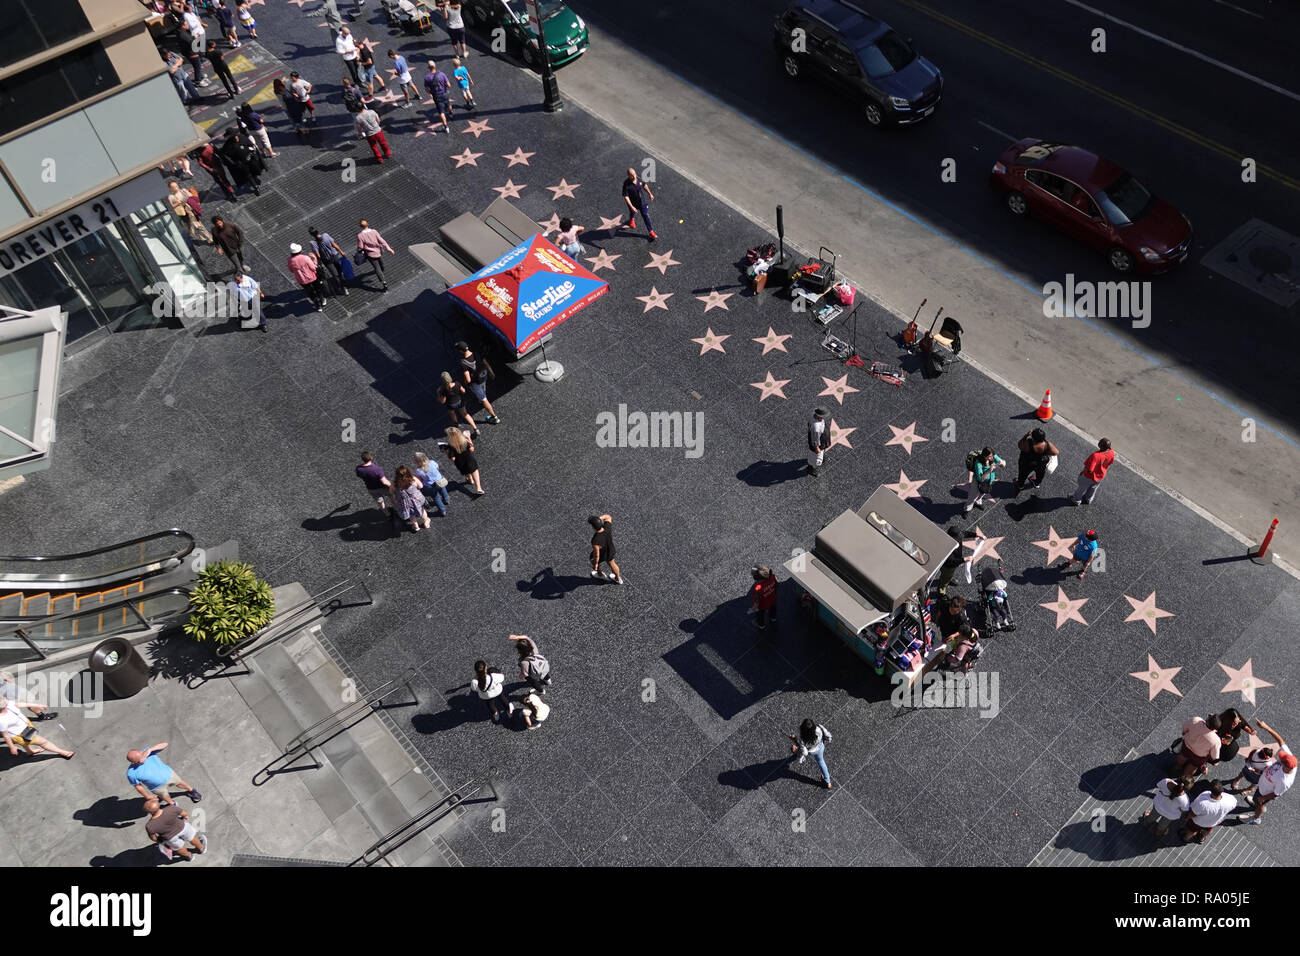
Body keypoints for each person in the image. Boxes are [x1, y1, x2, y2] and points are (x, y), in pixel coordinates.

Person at [1242, 719, 1295, 824]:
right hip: (1262, 786)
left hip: (1264, 792)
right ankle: (1256, 803)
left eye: (1282, 760)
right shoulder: (1289, 757)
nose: (1280, 757)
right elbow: (1281, 741)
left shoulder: (1285, 781)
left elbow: (1276, 794)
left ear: (1286, 767)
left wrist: (1263, 798)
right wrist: (1266, 727)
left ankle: (1256, 818)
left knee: (1260, 804)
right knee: (1257, 800)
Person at [126, 742, 202, 806]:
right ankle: (172, 804)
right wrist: (148, 797)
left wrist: (150, 749)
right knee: (165, 796)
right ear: (133, 762)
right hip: (157, 787)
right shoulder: (131, 773)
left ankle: (192, 791)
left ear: (140, 752)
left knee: (180, 783)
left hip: (169, 775)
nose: (143, 760)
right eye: (139, 761)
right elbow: (138, 786)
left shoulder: (147, 752)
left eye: (142, 756)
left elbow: (165, 744)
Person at [0, 697, 73, 759]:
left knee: (26, 742)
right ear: (3, 707)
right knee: (44, 742)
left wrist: (38, 705)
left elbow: (22, 704)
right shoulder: (2, 720)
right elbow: (6, 736)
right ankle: (63, 752)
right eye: (3, 699)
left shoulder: (9, 704)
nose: (5, 698)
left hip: (25, 725)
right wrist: (12, 747)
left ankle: (30, 751)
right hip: (20, 734)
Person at [1181, 780, 1237, 845]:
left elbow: (1193, 813)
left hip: (1198, 822)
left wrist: (1187, 817)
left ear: (1210, 790)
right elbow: (1232, 806)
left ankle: (1185, 838)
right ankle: (1201, 838)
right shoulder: (1230, 799)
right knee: (1207, 830)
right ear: (1222, 790)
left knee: (1192, 830)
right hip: (1213, 822)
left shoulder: (1203, 799)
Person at [456, 341, 500, 424]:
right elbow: (485, 362)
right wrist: (491, 372)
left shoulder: (463, 363)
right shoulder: (476, 353)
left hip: (475, 382)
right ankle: (482, 397)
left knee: (484, 399)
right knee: (483, 388)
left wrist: (465, 383)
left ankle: (494, 417)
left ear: (461, 351)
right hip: (483, 376)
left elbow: (468, 379)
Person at [1173, 713, 1222, 778]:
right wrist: (1216, 762)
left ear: (1207, 721)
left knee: (1183, 755)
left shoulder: (1196, 720)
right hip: (1199, 756)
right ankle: (1184, 777)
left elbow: (1185, 728)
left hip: (1187, 745)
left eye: (1210, 716)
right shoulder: (1216, 740)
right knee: (1193, 765)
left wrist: (1184, 732)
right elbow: (1214, 756)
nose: (1209, 714)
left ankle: (1178, 766)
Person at [790, 719, 833, 789]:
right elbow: (826, 733)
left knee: (800, 750)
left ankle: (795, 751)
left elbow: (804, 752)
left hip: (812, 751)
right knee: (821, 762)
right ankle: (828, 782)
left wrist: (794, 739)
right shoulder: (819, 729)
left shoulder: (802, 739)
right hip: (820, 747)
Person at [167, 179, 213, 245]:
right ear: (170, 188)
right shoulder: (171, 197)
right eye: (174, 187)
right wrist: (177, 203)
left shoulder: (183, 190)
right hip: (185, 214)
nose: (176, 188)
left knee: (197, 225)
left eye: (176, 186)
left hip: (192, 210)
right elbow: (171, 207)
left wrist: (195, 203)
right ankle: (205, 238)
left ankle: (206, 238)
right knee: (194, 225)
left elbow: (192, 197)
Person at [219, 127, 262, 195]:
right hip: (242, 163)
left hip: (251, 159)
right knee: (248, 175)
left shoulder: (242, 137)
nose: (236, 138)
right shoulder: (227, 146)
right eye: (233, 137)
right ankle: (255, 187)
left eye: (235, 136)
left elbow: (250, 144)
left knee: (254, 170)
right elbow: (226, 157)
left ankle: (255, 178)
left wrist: (252, 150)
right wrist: (235, 163)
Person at [1014, 427, 1058, 494]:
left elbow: (1020, 446)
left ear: (1033, 438)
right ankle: (1036, 483)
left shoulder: (1029, 443)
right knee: (1040, 474)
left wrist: (1025, 436)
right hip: (1041, 463)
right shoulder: (1047, 444)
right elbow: (1056, 452)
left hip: (1027, 463)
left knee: (1023, 474)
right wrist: (1045, 453)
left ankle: (1020, 485)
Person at [1072, 438, 1115, 506]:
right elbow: (1110, 463)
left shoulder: (1096, 456)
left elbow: (1090, 470)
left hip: (1089, 477)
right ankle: (1088, 499)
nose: (1099, 441)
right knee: (1093, 489)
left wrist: (1084, 472)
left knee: (1082, 488)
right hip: (1100, 476)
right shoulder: (1111, 453)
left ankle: (1076, 500)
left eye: (1100, 441)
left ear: (1101, 445)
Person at [620, 166, 657, 241]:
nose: (634, 176)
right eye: (632, 175)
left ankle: (651, 231)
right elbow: (625, 196)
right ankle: (631, 220)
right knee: (632, 212)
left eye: (634, 174)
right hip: (633, 203)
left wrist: (650, 194)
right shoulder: (626, 184)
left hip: (642, 202)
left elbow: (644, 185)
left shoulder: (638, 179)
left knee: (646, 215)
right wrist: (631, 206)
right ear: (628, 176)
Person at [310, 227, 349, 297]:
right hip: (334, 255)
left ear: (311, 235)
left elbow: (318, 255)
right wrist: (341, 252)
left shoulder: (313, 243)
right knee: (340, 272)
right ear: (318, 231)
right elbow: (334, 244)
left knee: (334, 274)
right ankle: (345, 286)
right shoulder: (325, 235)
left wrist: (319, 263)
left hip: (327, 260)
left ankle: (343, 289)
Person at [444, 427, 484, 495]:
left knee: (466, 471)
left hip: (460, 462)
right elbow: (472, 449)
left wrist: (446, 452)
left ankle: (470, 480)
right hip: (469, 459)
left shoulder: (450, 446)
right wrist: (469, 438)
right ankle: (478, 487)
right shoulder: (464, 441)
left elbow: (452, 458)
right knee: (474, 471)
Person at [356, 219, 395, 289]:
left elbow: (360, 246)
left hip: (370, 254)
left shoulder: (360, 235)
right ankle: (381, 271)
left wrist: (359, 249)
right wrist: (389, 248)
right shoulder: (374, 231)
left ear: (360, 226)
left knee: (377, 268)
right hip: (378, 252)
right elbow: (381, 240)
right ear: (367, 224)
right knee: (381, 265)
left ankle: (384, 282)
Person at [965, 447, 1006, 513]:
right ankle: (967, 509)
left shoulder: (992, 456)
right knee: (973, 496)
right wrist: (989, 470)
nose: (992, 458)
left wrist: (1002, 463)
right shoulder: (978, 463)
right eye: (989, 456)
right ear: (984, 456)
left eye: (992, 456)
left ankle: (978, 503)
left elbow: (1004, 463)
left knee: (983, 493)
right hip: (977, 482)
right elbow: (980, 478)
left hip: (989, 481)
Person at [287, 243, 327, 311]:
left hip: (302, 280)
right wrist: (314, 259)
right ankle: (322, 300)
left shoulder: (290, 260)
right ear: (299, 251)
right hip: (312, 277)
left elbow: (291, 270)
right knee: (318, 289)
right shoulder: (305, 258)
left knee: (310, 292)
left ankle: (318, 306)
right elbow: (313, 268)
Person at [392, 465, 430, 532]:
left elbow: (391, 491)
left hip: (405, 503)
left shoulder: (395, 484)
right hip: (417, 499)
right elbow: (421, 486)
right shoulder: (413, 479)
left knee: (411, 514)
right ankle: (426, 522)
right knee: (422, 511)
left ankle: (415, 526)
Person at [412, 451, 450, 516]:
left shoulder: (418, 471)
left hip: (430, 486)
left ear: (417, 462)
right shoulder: (432, 462)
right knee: (443, 489)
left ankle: (442, 510)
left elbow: (420, 480)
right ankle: (446, 499)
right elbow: (437, 468)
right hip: (440, 480)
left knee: (436, 497)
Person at [588, 514, 623, 584]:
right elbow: (608, 517)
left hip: (602, 554)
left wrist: (595, 564)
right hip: (610, 550)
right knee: (612, 563)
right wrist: (599, 519)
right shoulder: (607, 528)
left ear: (593, 527)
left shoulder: (595, 541)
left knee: (592, 559)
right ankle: (618, 579)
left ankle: (600, 574)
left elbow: (597, 555)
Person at [934, 527, 967, 596]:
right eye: (958, 537)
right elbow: (952, 561)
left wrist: (976, 535)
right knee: (943, 582)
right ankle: (941, 592)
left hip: (951, 566)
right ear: (952, 537)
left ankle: (948, 580)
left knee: (948, 576)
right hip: (947, 567)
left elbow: (965, 533)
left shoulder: (956, 537)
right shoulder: (948, 547)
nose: (960, 538)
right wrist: (964, 559)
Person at [423, 61, 453, 132]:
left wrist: (431, 92)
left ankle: (446, 127)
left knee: (441, 112)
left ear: (428, 67)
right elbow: (449, 85)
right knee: (448, 104)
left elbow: (427, 89)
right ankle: (451, 113)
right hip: (445, 93)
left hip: (436, 96)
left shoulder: (427, 78)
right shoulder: (442, 74)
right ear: (435, 66)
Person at [750, 565, 778, 630]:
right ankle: (773, 618)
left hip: (762, 605)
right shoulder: (773, 577)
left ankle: (761, 625)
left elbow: (757, 598)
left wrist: (754, 607)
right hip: (772, 599)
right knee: (773, 608)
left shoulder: (758, 587)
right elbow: (776, 585)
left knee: (760, 614)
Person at [806, 407, 830, 476]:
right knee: (815, 458)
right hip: (819, 443)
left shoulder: (813, 413)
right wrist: (817, 448)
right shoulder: (816, 428)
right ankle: (811, 468)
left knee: (822, 451)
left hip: (822, 438)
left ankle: (822, 458)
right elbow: (815, 439)